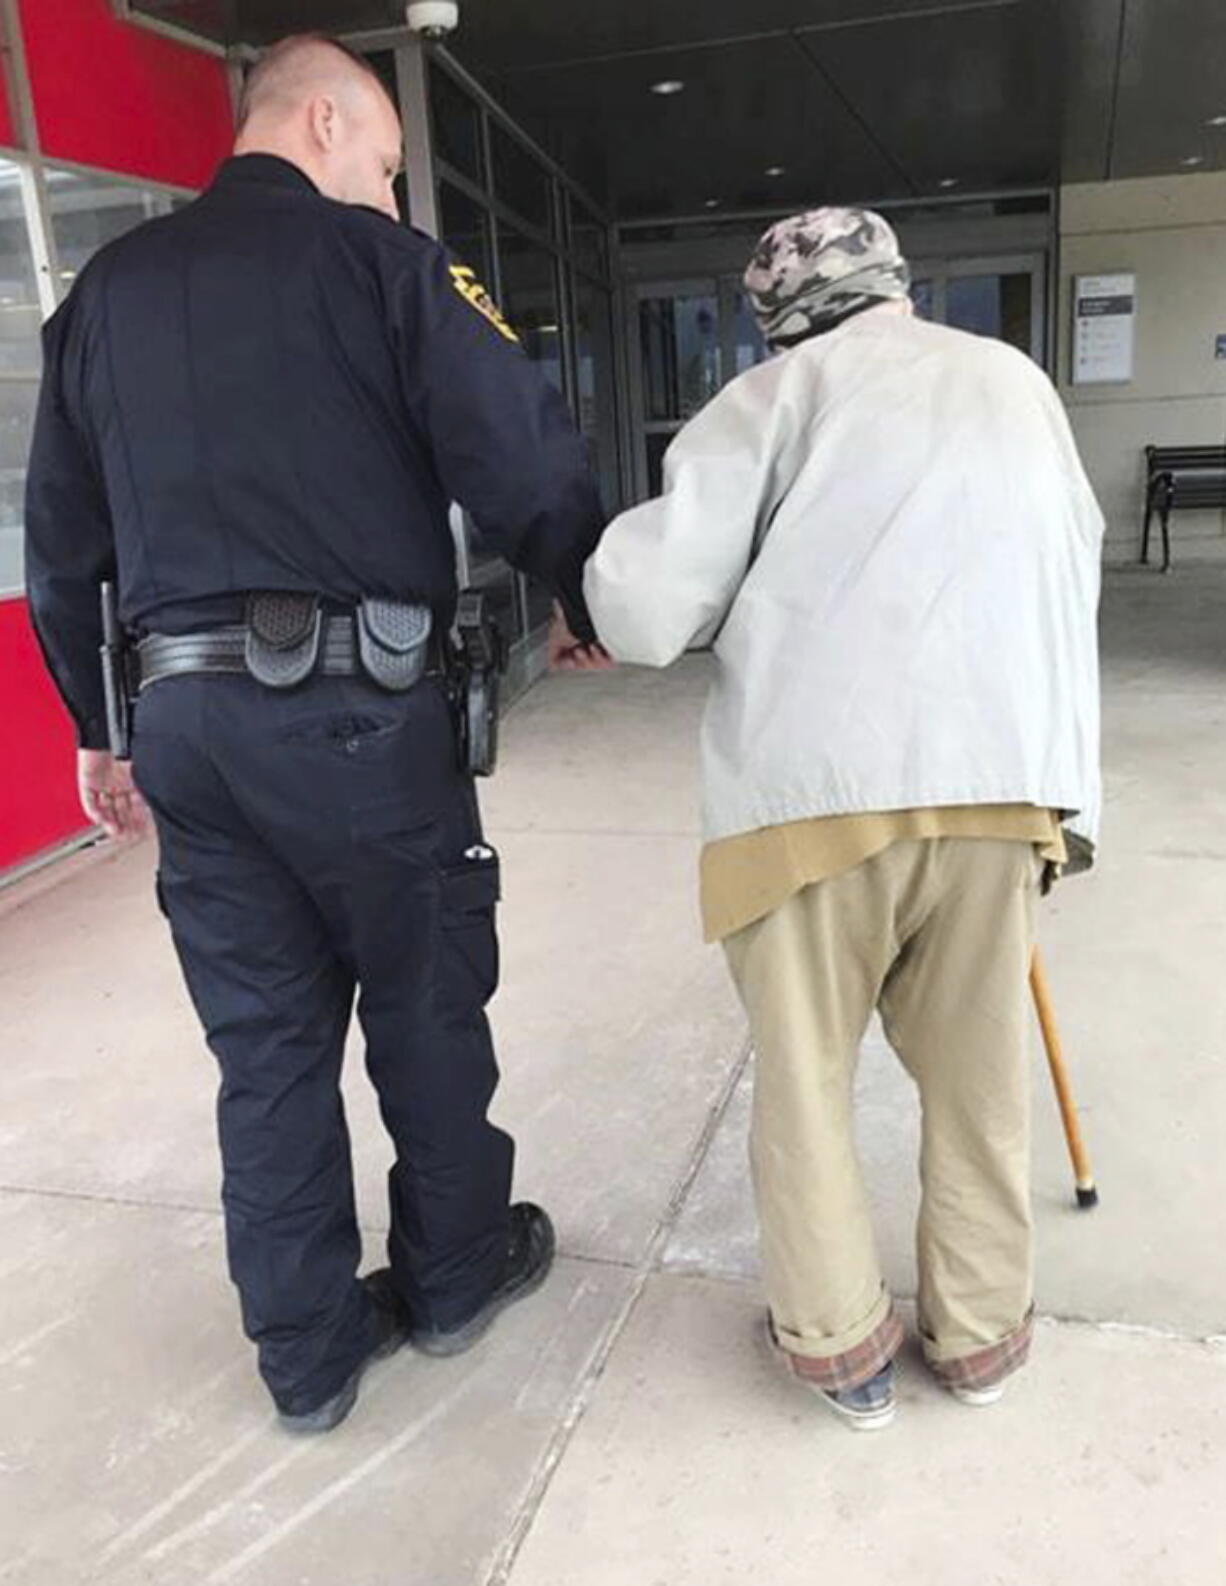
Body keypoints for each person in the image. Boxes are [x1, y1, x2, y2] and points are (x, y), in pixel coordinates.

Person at [24, 34, 608, 1435]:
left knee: (266, 1047)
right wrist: (586, 585)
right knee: (419, 999)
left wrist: (99, 724)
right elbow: (516, 447)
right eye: (390, 168)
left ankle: (305, 1352)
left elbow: (61, 546)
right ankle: (457, 1272)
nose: (395, 199)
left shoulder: (101, 295)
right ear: (328, 117)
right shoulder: (381, 269)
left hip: (185, 728)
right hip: (360, 715)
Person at [584, 208, 1102, 1431]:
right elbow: (1067, 564)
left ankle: (840, 1350)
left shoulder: (774, 396)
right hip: (997, 778)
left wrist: (602, 581)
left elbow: (647, 607)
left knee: (807, 1080)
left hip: (810, 799)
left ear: (774, 312)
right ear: (894, 285)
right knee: (978, 1078)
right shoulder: (1012, 382)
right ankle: (978, 1332)